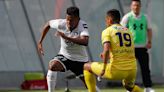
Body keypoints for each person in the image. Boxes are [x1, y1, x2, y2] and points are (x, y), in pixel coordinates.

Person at [83, 9, 142, 92]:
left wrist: (103, 69)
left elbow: (106, 49)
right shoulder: (128, 31)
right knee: (129, 87)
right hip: (132, 69)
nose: (106, 22)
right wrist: (108, 55)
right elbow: (125, 50)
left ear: (109, 20)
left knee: (86, 67)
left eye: (106, 20)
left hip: (116, 70)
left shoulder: (107, 31)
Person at [38, 6, 90, 92]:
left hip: (81, 60)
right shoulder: (61, 23)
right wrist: (40, 41)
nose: (68, 22)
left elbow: (85, 42)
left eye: (71, 20)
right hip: (65, 56)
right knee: (53, 66)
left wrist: (65, 37)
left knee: (90, 86)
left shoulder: (82, 25)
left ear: (78, 19)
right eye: (67, 19)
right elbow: (48, 24)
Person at [120, 0, 154, 92]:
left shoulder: (145, 17)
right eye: (134, 5)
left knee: (145, 68)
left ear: (140, 6)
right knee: (130, 69)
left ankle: (148, 87)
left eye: (138, 5)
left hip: (142, 47)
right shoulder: (127, 17)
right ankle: (129, 87)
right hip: (130, 48)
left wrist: (149, 41)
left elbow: (149, 30)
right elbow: (121, 31)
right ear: (131, 6)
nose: (136, 7)